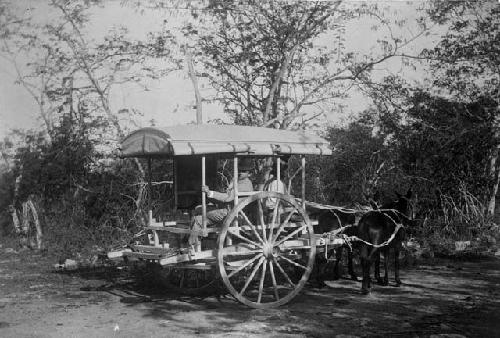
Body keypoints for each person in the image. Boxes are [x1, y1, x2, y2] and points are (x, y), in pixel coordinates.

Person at [188, 157, 254, 252]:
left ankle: (193, 245)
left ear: (249, 173)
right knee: (198, 219)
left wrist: (209, 192)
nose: (240, 172)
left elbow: (227, 198)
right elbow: (226, 198)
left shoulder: (245, 185)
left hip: (230, 214)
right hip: (225, 211)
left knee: (198, 210)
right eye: (239, 170)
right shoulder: (237, 181)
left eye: (244, 171)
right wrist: (211, 196)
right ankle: (194, 247)